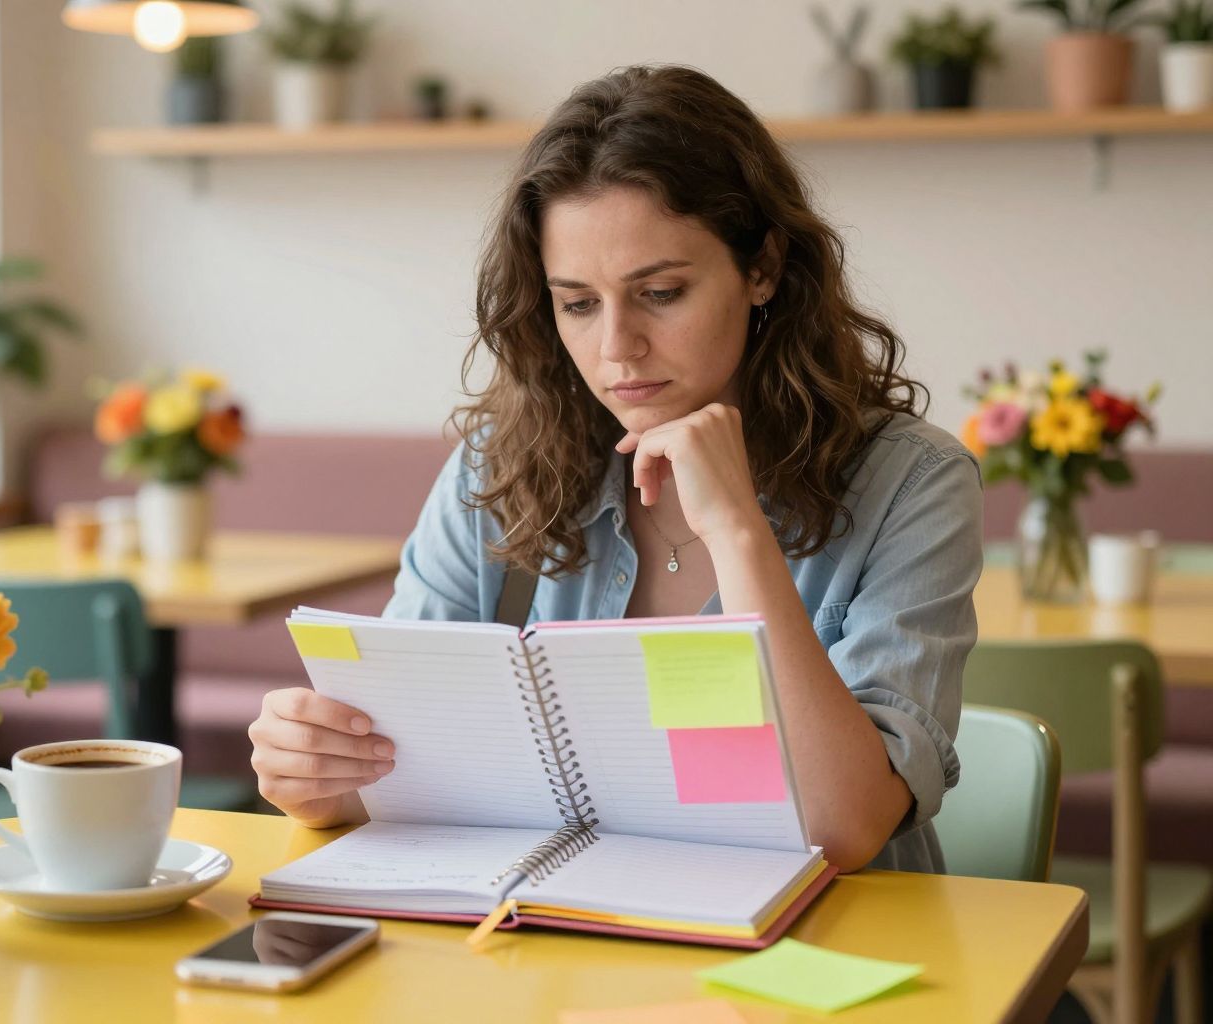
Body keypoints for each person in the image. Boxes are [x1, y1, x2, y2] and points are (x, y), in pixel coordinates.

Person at [249, 65, 982, 873]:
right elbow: (403, 768)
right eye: (578, 303)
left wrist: (738, 532)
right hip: (561, 954)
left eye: (661, 292)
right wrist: (318, 775)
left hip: (821, 965)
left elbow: (842, 827)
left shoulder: (913, 483)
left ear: (764, 268)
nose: (616, 347)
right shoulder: (497, 469)